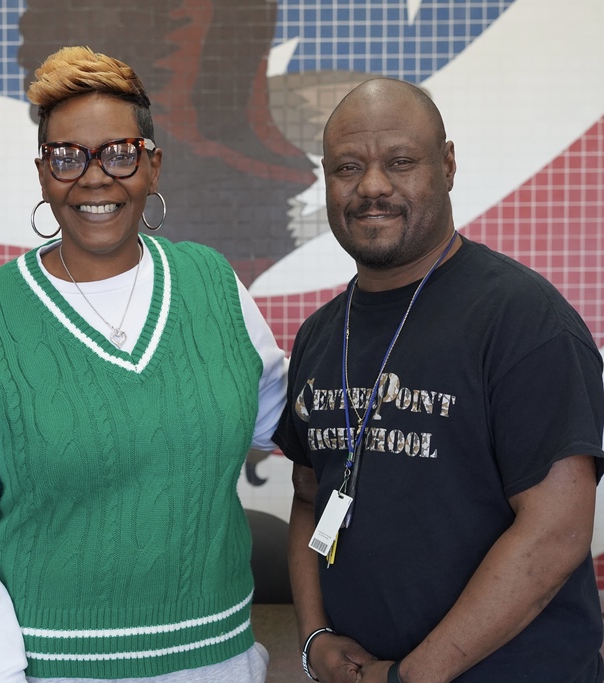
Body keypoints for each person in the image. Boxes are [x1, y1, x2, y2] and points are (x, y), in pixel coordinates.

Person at [0, 46, 287, 682]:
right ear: (42, 172)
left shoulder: (213, 283)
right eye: (67, 157)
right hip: (48, 668)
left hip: (214, 661)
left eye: (119, 153)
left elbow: (286, 422)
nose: (94, 177)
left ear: (152, 164)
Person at [274, 77, 604, 683]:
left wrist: (415, 675)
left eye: (400, 162)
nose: (372, 187)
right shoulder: (321, 334)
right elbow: (306, 498)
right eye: (348, 167)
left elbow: (557, 530)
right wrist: (315, 637)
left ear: (447, 165)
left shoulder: (524, 320)